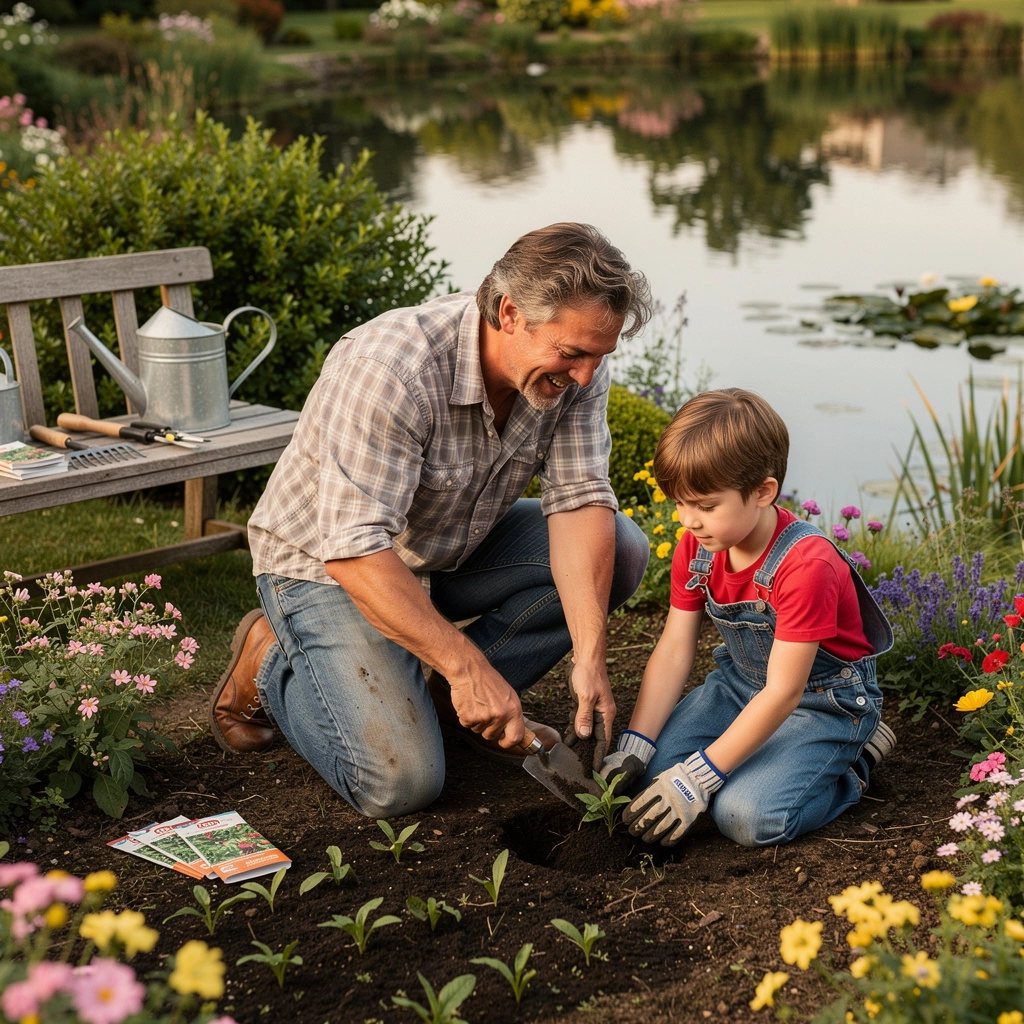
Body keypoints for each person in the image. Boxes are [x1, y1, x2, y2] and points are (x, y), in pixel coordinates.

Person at [209, 222, 653, 819]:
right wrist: (468, 666)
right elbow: (354, 550)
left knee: (622, 548)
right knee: (401, 784)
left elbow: (579, 501)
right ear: (509, 313)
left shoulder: (575, 369)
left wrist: (590, 654)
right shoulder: (391, 367)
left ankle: (444, 701)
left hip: (446, 548)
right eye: (572, 354)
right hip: (327, 567)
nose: (586, 376)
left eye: (600, 356)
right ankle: (270, 660)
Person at [599, 388, 895, 848]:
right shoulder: (697, 547)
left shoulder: (806, 566)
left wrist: (698, 779)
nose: (687, 521)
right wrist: (636, 743)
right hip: (740, 686)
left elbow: (784, 692)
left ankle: (852, 766)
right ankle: (761, 763)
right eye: (679, 503)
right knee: (651, 775)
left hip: (822, 701)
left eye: (705, 506)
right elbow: (674, 650)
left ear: (763, 492)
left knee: (743, 816)